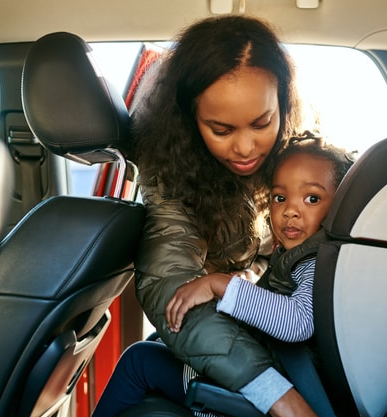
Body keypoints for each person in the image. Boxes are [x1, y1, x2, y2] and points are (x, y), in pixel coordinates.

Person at [128, 14, 313, 417]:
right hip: (247, 339)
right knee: (140, 357)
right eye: (221, 130)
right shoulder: (171, 179)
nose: (246, 148)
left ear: (282, 103)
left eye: (262, 123)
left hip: (287, 344)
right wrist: (272, 392)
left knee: (137, 364)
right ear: (190, 121)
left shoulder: (304, 165)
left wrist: (227, 286)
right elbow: (169, 281)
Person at [92, 134, 354, 417]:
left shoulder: (316, 263)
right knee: (155, 343)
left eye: (312, 198)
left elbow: (297, 322)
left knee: (138, 361)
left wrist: (220, 284)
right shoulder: (305, 257)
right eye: (280, 197)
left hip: (265, 392)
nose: (291, 210)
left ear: (339, 210)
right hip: (273, 370)